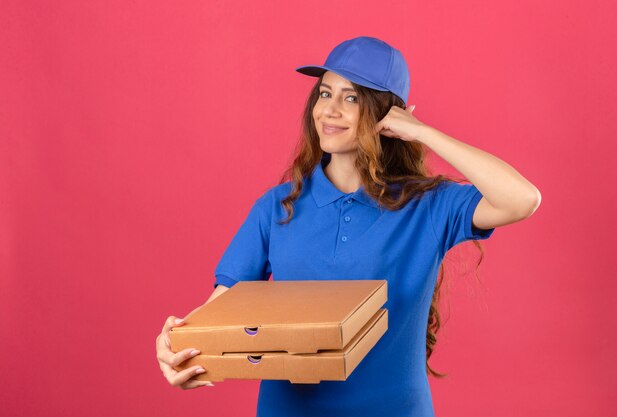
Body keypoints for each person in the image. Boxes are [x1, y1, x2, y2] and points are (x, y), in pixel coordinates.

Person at [155, 36, 541, 416]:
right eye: (325, 93)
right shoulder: (276, 207)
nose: (330, 110)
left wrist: (423, 132)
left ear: (388, 114)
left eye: (352, 98)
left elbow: (521, 199)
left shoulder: (428, 204)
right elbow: (219, 311)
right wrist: (178, 348)